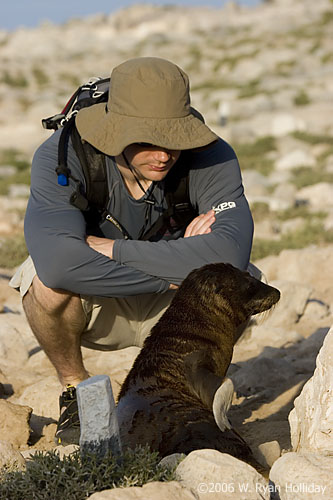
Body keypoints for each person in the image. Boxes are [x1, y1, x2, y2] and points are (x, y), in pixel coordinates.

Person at [9, 57, 254, 446]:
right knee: (42, 282)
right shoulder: (64, 154)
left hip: (173, 309)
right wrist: (187, 262)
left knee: (241, 283)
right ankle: (75, 390)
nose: (164, 154)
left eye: (174, 138)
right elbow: (59, 265)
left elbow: (232, 252)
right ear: (115, 131)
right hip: (102, 303)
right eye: (148, 139)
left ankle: (191, 389)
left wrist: (113, 249)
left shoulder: (210, 154)